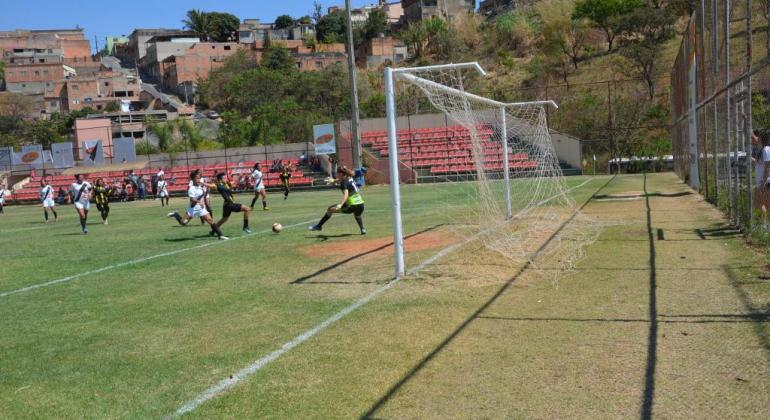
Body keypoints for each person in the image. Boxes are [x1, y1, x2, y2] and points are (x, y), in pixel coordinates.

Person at [166, 171, 228, 240]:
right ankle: (176, 214)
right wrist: (199, 202)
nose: (199, 180)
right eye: (197, 178)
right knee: (183, 223)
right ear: (192, 180)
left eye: (199, 178)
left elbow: (205, 192)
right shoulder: (191, 189)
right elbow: (192, 199)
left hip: (201, 209)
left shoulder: (201, 187)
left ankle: (221, 235)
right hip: (193, 209)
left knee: (210, 220)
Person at [308, 166, 366, 235]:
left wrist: (340, 205)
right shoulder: (350, 177)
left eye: (337, 173)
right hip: (361, 204)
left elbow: (346, 194)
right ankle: (363, 229)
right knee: (357, 215)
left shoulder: (343, 183)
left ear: (341, 174)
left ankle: (318, 226)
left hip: (351, 205)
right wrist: (334, 180)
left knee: (330, 209)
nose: (336, 175)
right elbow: (343, 180)